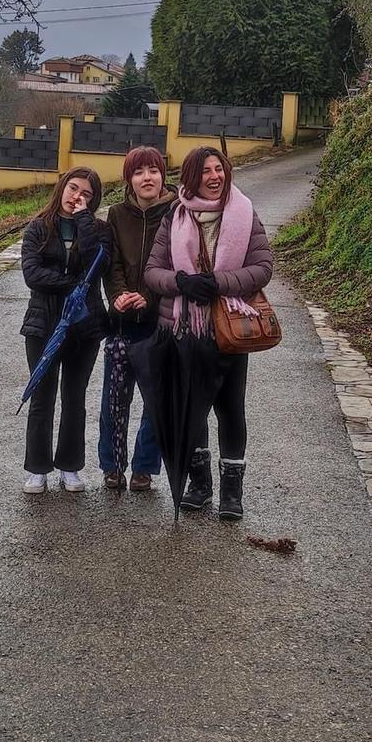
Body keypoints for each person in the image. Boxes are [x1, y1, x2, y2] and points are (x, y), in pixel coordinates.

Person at [143, 146, 273, 519]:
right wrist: (181, 281)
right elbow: (153, 271)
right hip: (184, 328)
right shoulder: (176, 215)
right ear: (192, 177)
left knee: (231, 409)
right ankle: (199, 485)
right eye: (206, 171)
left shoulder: (245, 213)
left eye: (220, 169)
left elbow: (263, 267)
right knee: (192, 408)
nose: (215, 176)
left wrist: (218, 282)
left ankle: (232, 492)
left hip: (229, 328)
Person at [17, 166, 109, 493]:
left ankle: (70, 466)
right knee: (42, 398)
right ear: (62, 188)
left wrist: (84, 221)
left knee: (75, 398)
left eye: (86, 194)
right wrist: (74, 285)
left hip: (84, 329)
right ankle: (37, 468)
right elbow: (33, 274)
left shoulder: (99, 230)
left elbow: (97, 261)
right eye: (73, 189)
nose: (77, 197)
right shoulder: (38, 228)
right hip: (43, 325)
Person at [99, 147, 174, 491]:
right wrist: (118, 296)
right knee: (114, 397)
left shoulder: (176, 213)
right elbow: (110, 263)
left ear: (162, 175)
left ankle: (145, 468)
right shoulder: (116, 214)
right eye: (139, 171)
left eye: (153, 171)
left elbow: (178, 265)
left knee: (156, 400)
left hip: (159, 323)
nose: (148, 177)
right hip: (122, 319)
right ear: (129, 179)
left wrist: (150, 296)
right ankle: (112, 465)